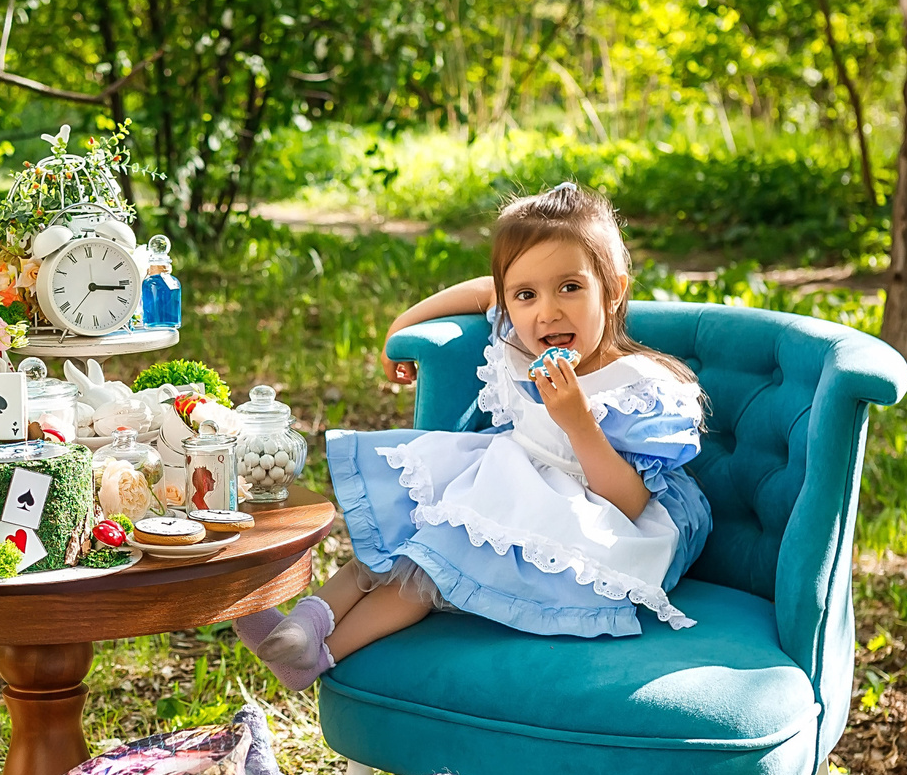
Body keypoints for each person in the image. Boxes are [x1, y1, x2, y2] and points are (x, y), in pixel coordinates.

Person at [236, 182, 711, 691]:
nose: (546, 311)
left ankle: (320, 657)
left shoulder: (638, 386)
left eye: (570, 287)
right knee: (409, 530)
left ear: (613, 290)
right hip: (517, 475)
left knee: (431, 564)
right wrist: (401, 327)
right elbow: (482, 290)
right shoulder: (518, 337)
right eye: (526, 295)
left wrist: (578, 421)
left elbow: (631, 502)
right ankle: (305, 624)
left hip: (598, 516)